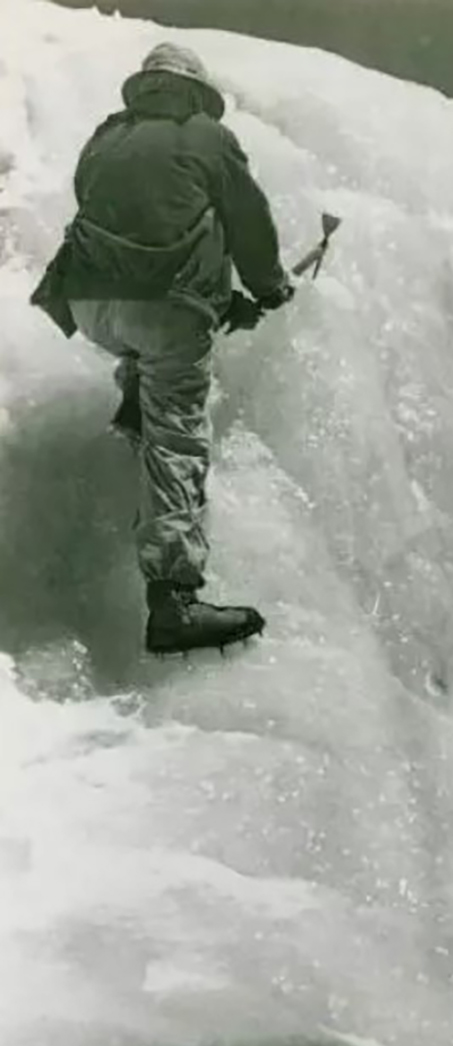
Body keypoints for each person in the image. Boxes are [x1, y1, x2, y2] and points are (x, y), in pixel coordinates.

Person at [31, 42, 295, 655]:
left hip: (92, 304)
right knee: (179, 432)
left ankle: (135, 408)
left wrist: (216, 298)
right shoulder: (207, 136)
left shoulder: (105, 138)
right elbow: (248, 220)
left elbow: (140, 226)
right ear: (194, 94)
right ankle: (173, 601)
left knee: (148, 357)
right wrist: (267, 287)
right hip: (164, 309)